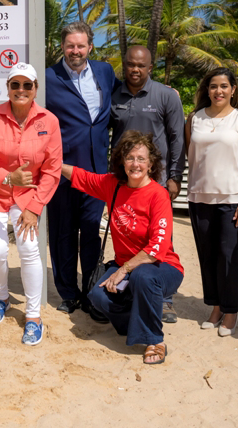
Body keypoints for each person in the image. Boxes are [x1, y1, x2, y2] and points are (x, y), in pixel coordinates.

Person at [62, 131, 183, 365]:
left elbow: (156, 247)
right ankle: (136, 320)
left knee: (143, 277)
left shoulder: (158, 195)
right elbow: (82, 177)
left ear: (150, 164)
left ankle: (154, 339)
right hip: (127, 267)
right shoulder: (113, 185)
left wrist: (124, 269)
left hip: (162, 266)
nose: (135, 164)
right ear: (122, 161)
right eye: (130, 158)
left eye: (141, 158)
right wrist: (52, 163)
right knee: (97, 295)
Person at [0, 62, 62, 346]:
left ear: (35, 89)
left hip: (28, 197)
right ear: (8, 87)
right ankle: (2, 298)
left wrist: (35, 208)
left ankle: (33, 316)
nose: (20, 90)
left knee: (29, 249)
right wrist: (7, 178)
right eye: (15, 84)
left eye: (27, 85)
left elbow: (52, 169)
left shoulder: (49, 121)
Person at [44, 21, 117, 317]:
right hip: (61, 170)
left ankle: (89, 292)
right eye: (70, 45)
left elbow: (122, 100)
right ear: (62, 46)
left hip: (97, 172)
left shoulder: (104, 72)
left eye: (81, 45)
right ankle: (67, 293)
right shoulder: (48, 77)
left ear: (90, 46)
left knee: (90, 233)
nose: (76, 51)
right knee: (62, 233)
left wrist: (167, 93)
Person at [109, 44, 185, 323]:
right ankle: (132, 287)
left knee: (161, 241)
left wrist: (174, 177)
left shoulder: (166, 96)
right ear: (124, 65)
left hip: (157, 182)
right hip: (124, 183)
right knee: (128, 233)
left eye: (141, 65)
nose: (135, 70)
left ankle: (163, 298)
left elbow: (178, 138)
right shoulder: (113, 95)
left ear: (150, 67)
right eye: (130, 64)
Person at [184, 67, 238, 337]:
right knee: (208, 257)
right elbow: (193, 158)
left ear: (233, 89)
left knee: (229, 258)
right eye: (213, 86)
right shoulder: (194, 119)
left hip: (231, 200)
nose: (218, 91)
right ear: (207, 90)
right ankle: (215, 307)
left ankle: (230, 311)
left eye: (224, 86)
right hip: (199, 198)